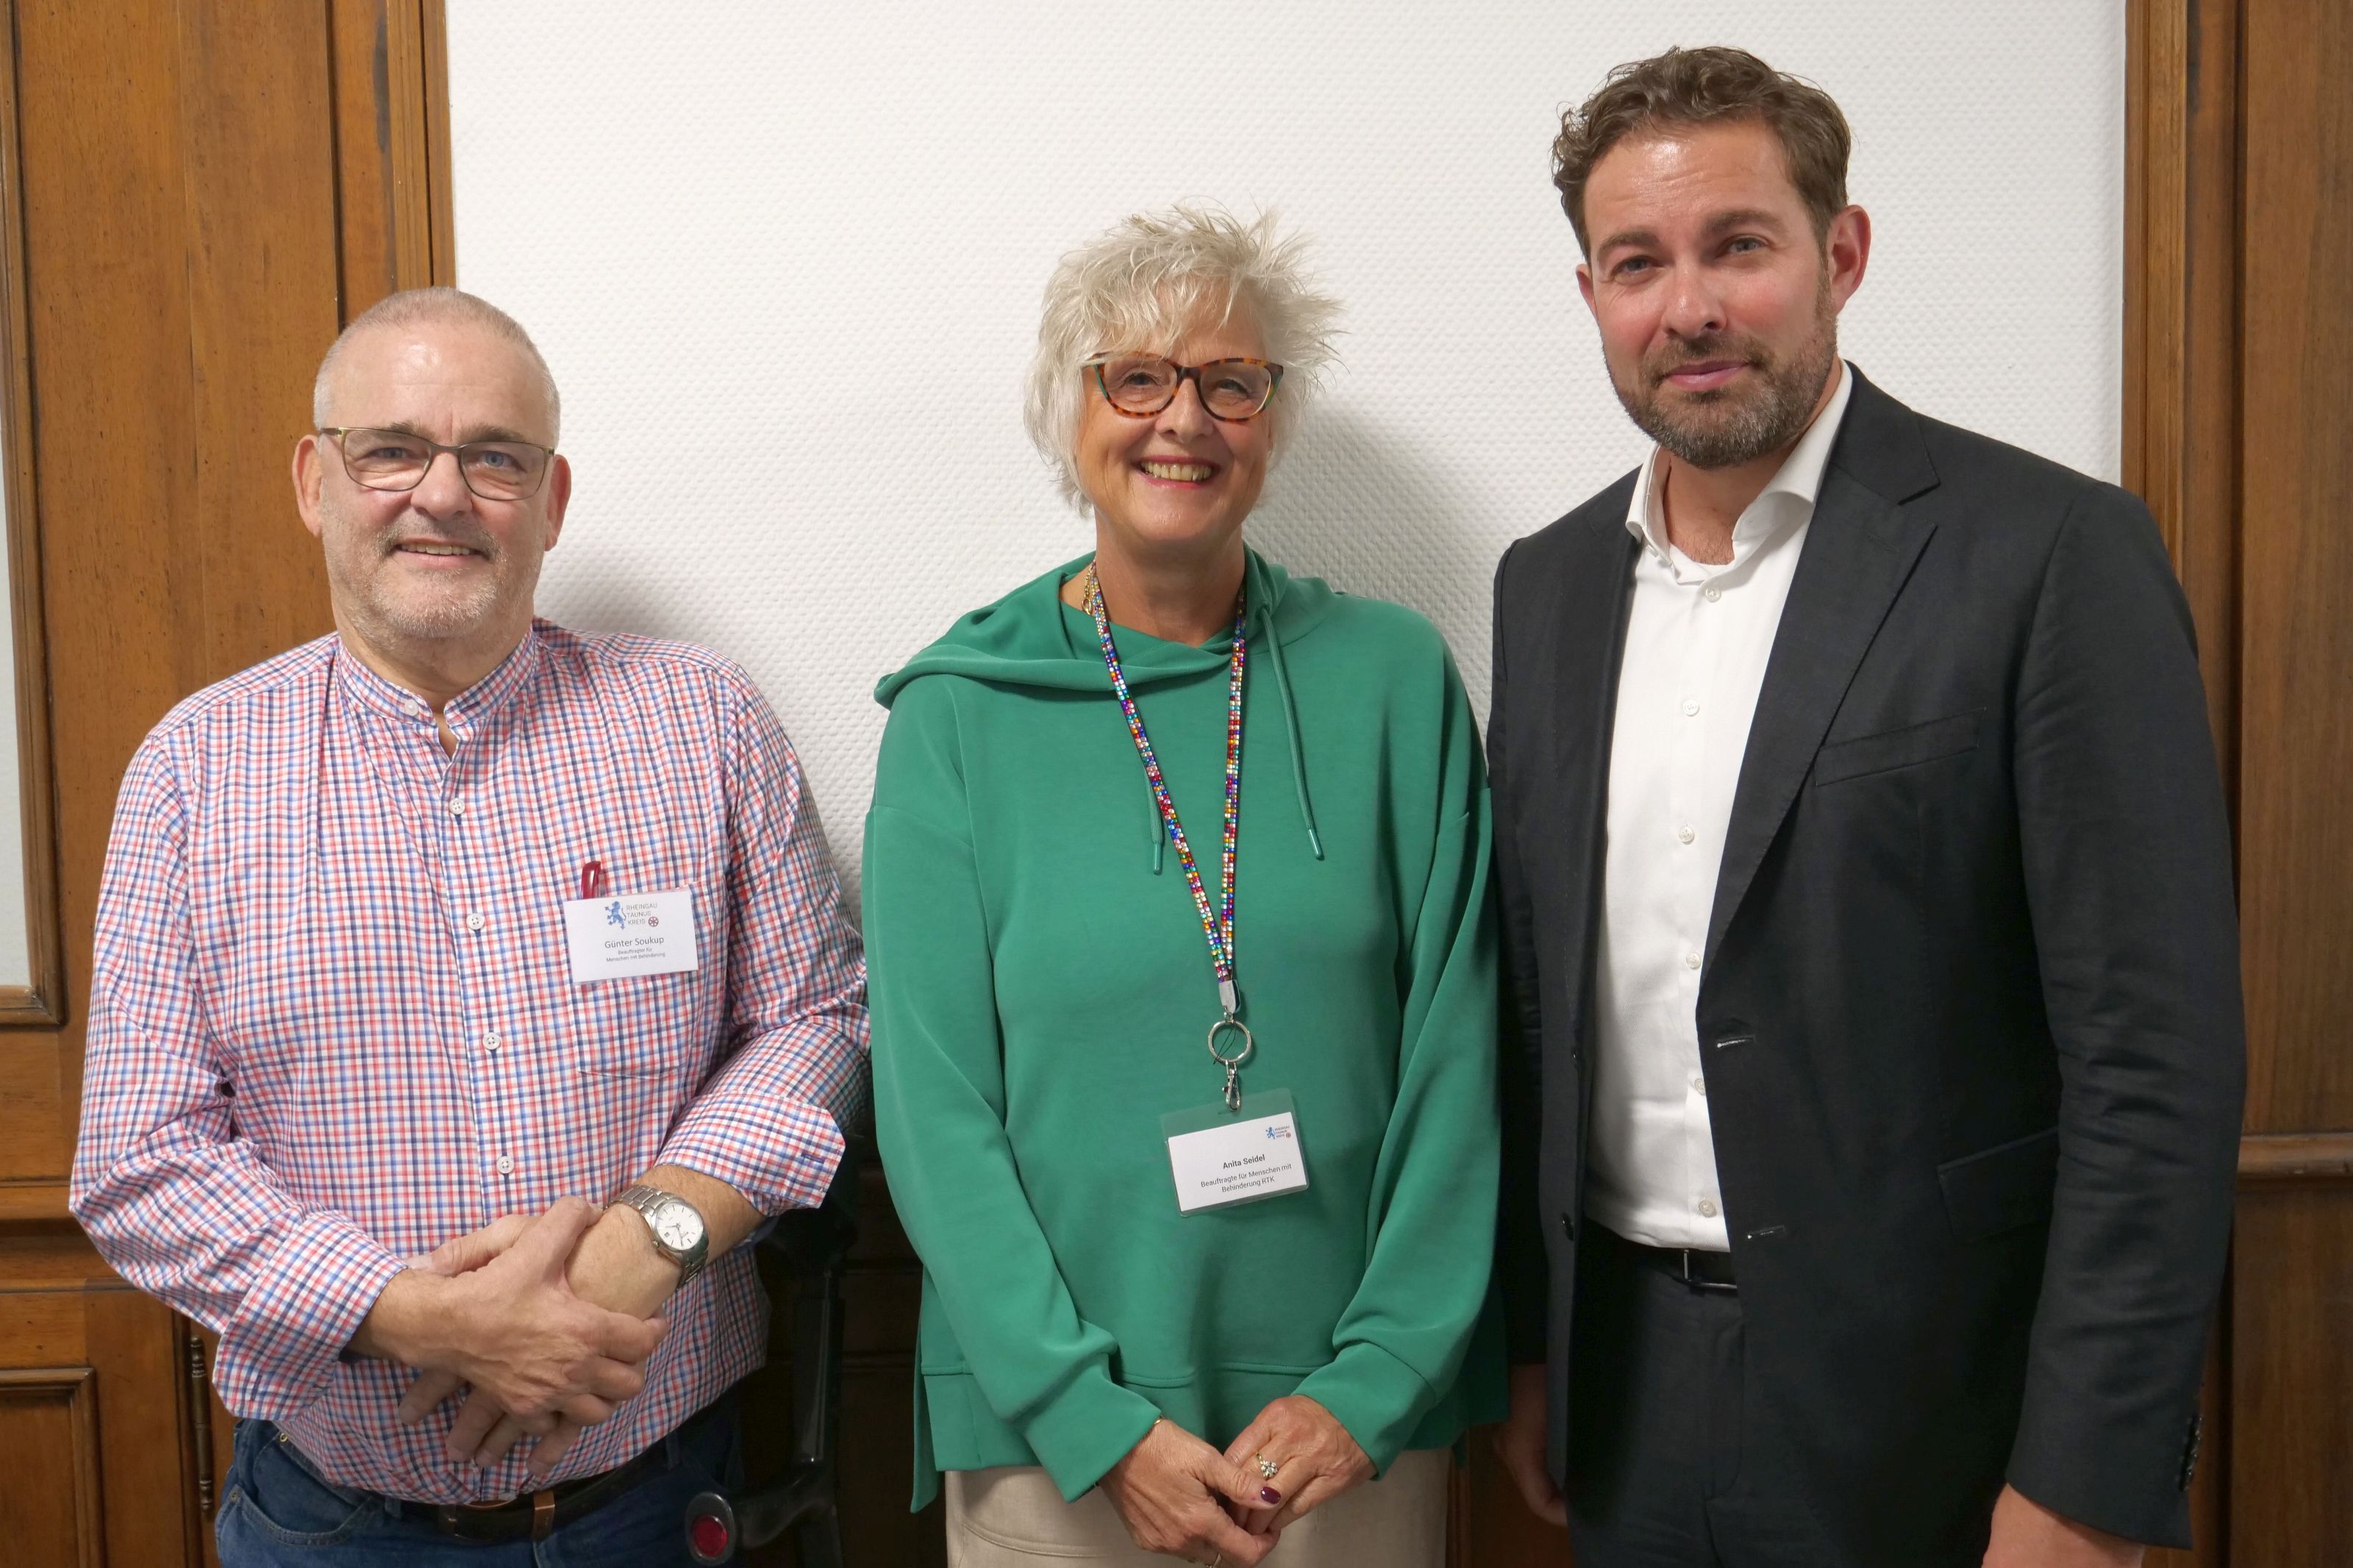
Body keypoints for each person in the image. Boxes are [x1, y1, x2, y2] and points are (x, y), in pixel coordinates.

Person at [1485, 47, 2244, 1568]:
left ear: (1840, 254)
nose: (1686, 305)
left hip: (1946, 1421)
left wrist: (2087, 1478)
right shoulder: (1547, 586)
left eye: (1737, 246)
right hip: (1623, 1394)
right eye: (1638, 262)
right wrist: (1529, 1347)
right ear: (1591, 299)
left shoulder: (2047, 554)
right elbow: (1534, 1004)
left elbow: (2153, 1061)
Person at [71, 287, 869, 1565]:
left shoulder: (701, 721)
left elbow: (819, 1017)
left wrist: (644, 1240)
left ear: (550, 503)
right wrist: (412, 1313)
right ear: (313, 480)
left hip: (661, 1506)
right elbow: (138, 1156)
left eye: (494, 457)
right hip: (332, 1528)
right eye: (392, 448)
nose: (441, 493)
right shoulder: (193, 772)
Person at [865, 205, 1502, 1568]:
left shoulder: (1393, 683)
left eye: (1232, 383)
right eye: (1135, 376)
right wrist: (1090, 1420)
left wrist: (1373, 1383)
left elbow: (1460, 1055)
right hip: (1060, 1449)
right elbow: (932, 1109)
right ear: (1067, 409)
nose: (1185, 419)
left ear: (1273, 420)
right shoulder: (958, 713)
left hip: (1344, 1435)